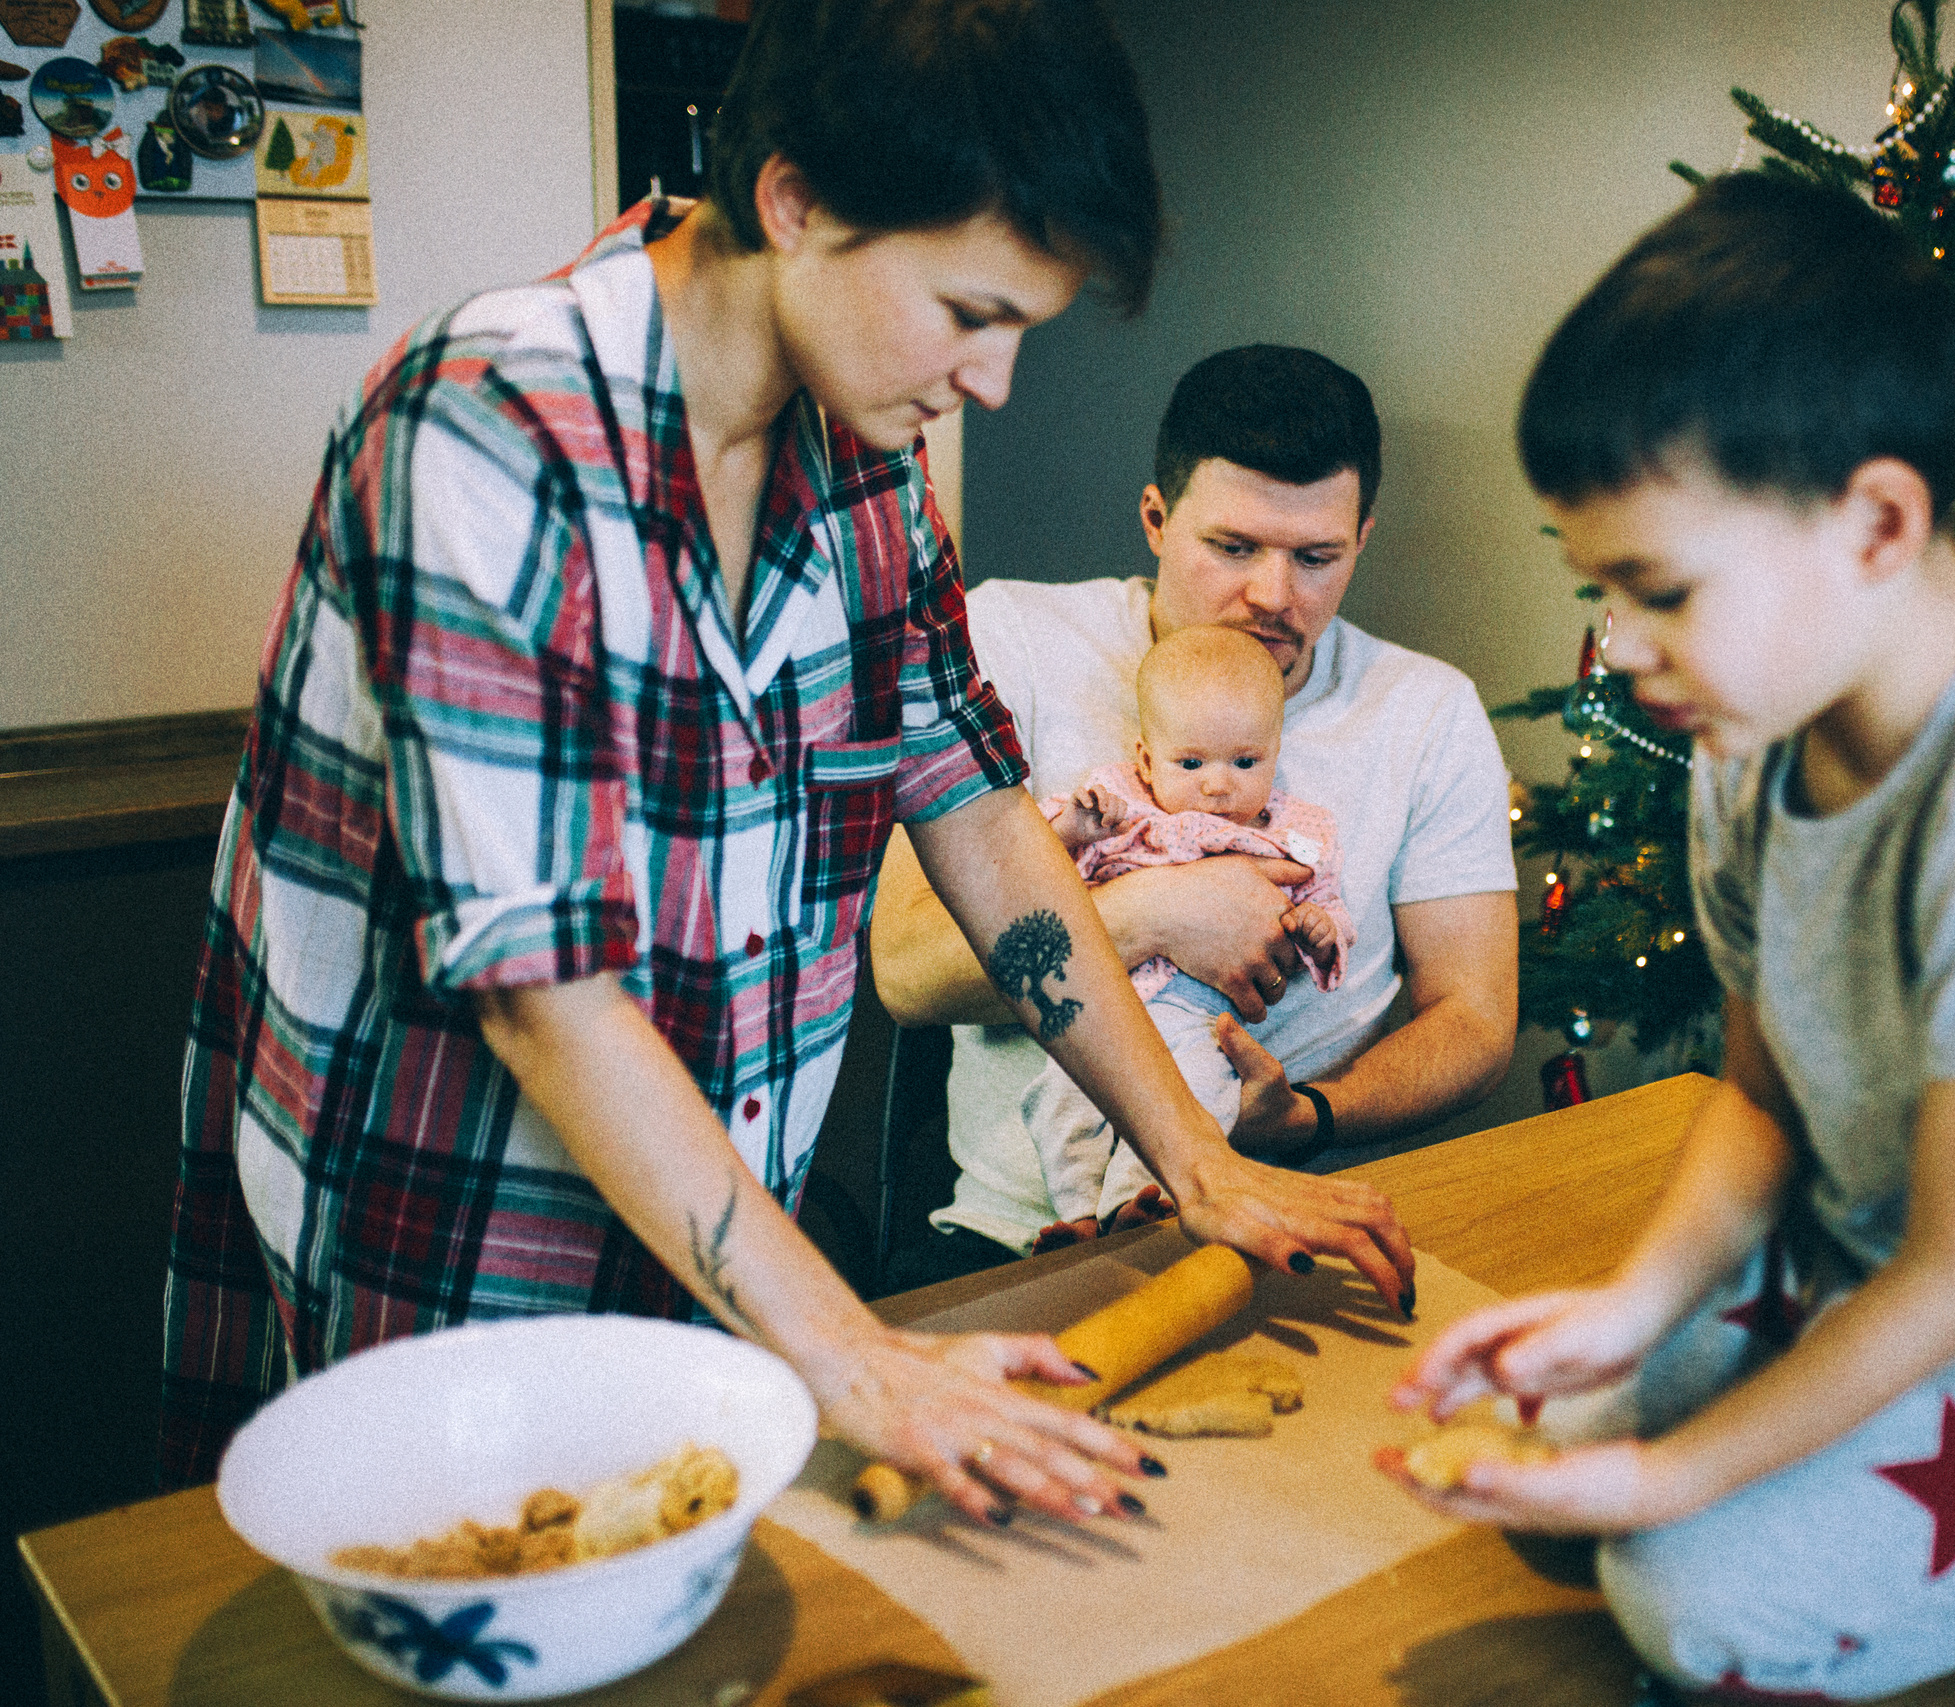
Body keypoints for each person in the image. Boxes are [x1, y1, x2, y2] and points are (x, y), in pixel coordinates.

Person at [160, 0, 1415, 1532]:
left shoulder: (868, 460)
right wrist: (859, 1355)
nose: (999, 381)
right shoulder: (487, 433)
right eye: (970, 312)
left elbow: (977, 805)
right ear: (796, 201)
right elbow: (539, 993)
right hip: (462, 1229)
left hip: (731, 1226)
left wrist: (1197, 1162)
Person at [1379, 171, 1955, 1701]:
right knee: (1554, 1469)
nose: (1622, 651)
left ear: (1876, 520)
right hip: (1856, 1260)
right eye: (1601, 588)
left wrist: (1665, 1489)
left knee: (1680, 1596)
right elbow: (1759, 1095)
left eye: (1661, 589)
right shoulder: (1750, 741)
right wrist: (1631, 1307)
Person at [869, 344, 1519, 1285]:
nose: (1273, 595)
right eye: (1233, 546)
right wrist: (1154, 915)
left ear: (1361, 540)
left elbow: (1477, 1016)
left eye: (1316, 557)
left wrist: (1307, 1117)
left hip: (1301, 1223)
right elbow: (906, 972)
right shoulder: (1013, 639)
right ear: (1156, 519)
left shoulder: (1426, 711)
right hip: (1009, 1242)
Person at [1021, 624, 1355, 1248]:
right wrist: (1074, 827)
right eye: (1192, 763)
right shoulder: (1119, 804)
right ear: (1148, 759)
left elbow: (1327, 904)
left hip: (1195, 1017)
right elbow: (1030, 875)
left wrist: (1322, 928)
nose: (1219, 784)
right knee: (1064, 1101)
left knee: (1197, 1098)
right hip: (1099, 1001)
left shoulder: (1296, 832)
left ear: (1275, 756)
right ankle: (1076, 1216)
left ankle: (1134, 1202)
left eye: (1246, 762)